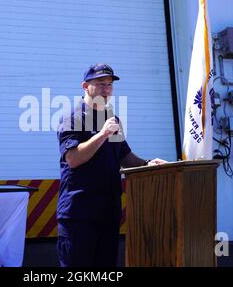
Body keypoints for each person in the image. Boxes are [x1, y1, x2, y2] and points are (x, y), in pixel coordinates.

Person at [56, 63, 167, 267]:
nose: (106, 90)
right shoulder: (71, 118)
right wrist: (102, 134)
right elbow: (73, 159)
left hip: (108, 212)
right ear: (85, 86)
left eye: (109, 85)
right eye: (100, 84)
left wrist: (149, 164)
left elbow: (124, 156)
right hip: (80, 214)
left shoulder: (111, 118)